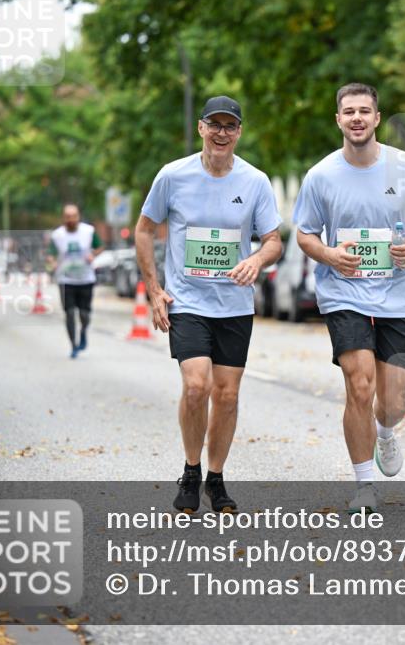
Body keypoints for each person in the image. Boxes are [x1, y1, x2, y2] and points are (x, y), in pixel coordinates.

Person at [292, 83, 405, 513]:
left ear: (376, 118)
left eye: (364, 111)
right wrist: (329, 255)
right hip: (344, 292)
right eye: (348, 111)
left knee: (392, 401)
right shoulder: (321, 175)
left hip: (395, 293)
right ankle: (364, 487)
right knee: (359, 383)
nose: (356, 118)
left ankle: (386, 433)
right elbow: (304, 232)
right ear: (338, 120)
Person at [136, 96, 282, 514]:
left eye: (230, 126)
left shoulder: (255, 181)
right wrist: (154, 287)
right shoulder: (173, 176)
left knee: (228, 395)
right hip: (187, 300)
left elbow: (274, 240)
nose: (222, 133)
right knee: (197, 385)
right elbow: (144, 231)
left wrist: (256, 258)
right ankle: (191, 470)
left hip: (234, 305)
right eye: (214, 125)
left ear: (239, 132)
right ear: (201, 128)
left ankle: (216, 479)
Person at [47, 204, 105, 359]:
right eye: (67, 216)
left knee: (84, 314)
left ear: (78, 217)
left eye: (73, 216)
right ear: (63, 218)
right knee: (70, 313)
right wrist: (52, 262)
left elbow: (99, 247)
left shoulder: (88, 231)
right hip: (65, 280)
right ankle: (73, 344)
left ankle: (84, 331)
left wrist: (93, 254)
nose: (71, 219)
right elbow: (51, 253)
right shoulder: (57, 235)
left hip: (86, 279)